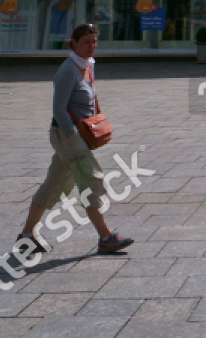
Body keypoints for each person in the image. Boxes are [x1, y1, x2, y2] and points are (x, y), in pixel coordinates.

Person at [16, 23, 132, 257]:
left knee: (53, 185)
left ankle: (26, 236)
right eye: (86, 42)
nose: (91, 46)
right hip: (67, 135)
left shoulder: (87, 66)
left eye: (94, 42)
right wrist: (72, 135)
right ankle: (106, 238)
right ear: (74, 44)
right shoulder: (69, 69)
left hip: (73, 136)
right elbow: (58, 108)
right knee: (92, 182)